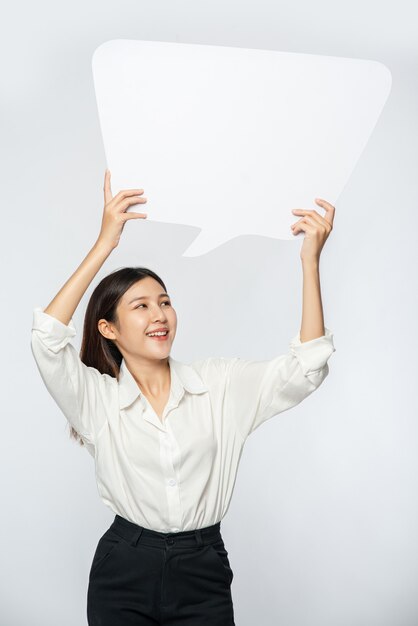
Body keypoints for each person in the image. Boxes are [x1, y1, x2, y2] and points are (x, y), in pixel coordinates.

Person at [30, 169, 336, 626]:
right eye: (141, 306)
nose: (160, 315)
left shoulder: (221, 385)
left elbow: (306, 369)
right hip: (123, 569)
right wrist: (105, 244)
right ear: (108, 330)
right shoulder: (97, 400)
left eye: (165, 301)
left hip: (203, 569)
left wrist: (310, 262)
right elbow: (47, 340)